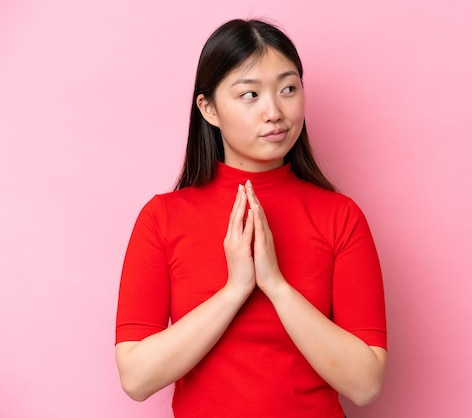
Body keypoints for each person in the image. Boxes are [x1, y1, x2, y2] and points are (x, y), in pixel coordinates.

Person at [115, 18, 387, 418]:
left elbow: (365, 385)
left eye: (288, 89)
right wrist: (234, 290)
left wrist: (276, 285)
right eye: (250, 94)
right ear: (208, 109)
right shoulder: (162, 218)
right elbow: (137, 378)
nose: (274, 111)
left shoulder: (341, 217)